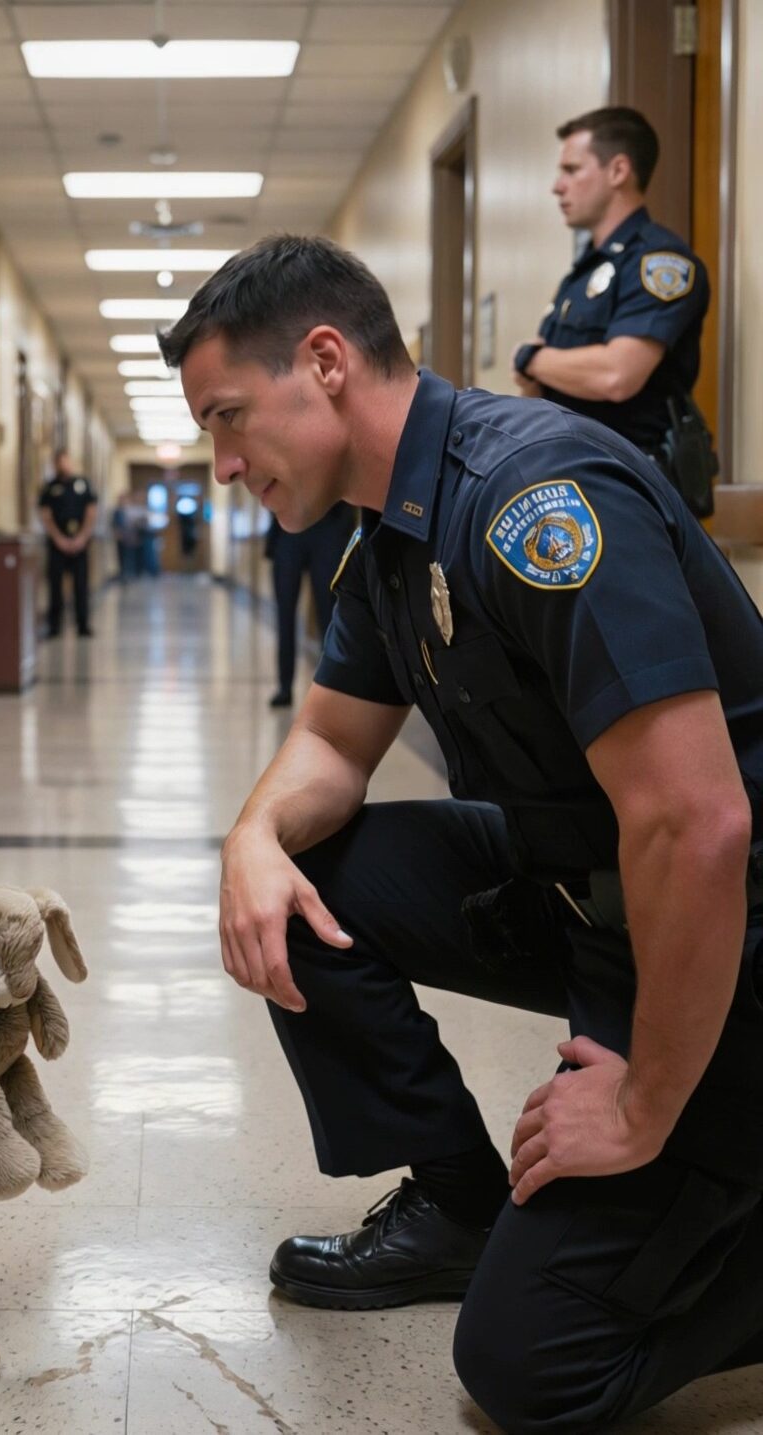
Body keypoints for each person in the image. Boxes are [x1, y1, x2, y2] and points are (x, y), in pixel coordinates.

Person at [158, 235, 763, 1433]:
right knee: (306, 875)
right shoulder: (389, 532)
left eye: (229, 419)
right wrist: (248, 839)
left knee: (529, 1369)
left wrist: (643, 1101)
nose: (224, 465)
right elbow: (331, 747)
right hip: (596, 899)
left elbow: (699, 824)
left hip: (731, 924)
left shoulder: (538, 500)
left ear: (325, 362)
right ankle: (457, 1203)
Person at [512, 107, 716, 516]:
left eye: (572, 170)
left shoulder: (659, 263)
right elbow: (535, 388)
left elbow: (616, 375)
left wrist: (534, 357)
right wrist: (540, 369)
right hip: (572, 479)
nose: (557, 186)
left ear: (618, 170)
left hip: (634, 489)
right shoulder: (582, 275)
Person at [264, 501, 356, 709]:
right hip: (288, 527)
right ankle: (284, 687)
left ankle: (330, 689)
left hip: (328, 524)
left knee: (330, 616)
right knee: (285, 616)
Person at [37, 449, 97, 637]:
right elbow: (45, 516)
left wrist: (82, 537)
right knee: (55, 586)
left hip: (81, 542)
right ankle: (55, 626)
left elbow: (91, 512)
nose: (64, 464)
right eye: (59, 461)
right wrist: (59, 538)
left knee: (81, 584)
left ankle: (83, 624)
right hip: (57, 544)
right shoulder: (49, 487)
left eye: (66, 460)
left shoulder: (83, 484)